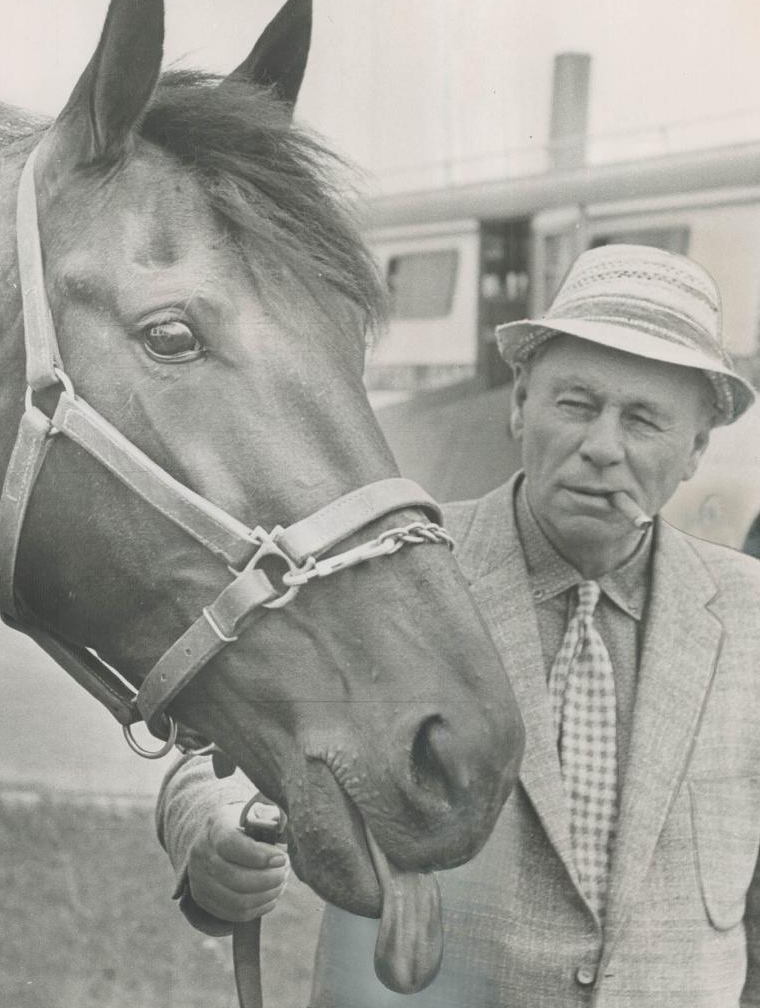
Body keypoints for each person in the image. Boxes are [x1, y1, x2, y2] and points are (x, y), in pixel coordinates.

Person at [156, 244, 760, 1007]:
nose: (601, 447)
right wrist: (214, 832)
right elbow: (209, 766)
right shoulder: (385, 573)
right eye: (574, 403)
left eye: (643, 420)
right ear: (518, 404)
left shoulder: (749, 618)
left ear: (695, 450)